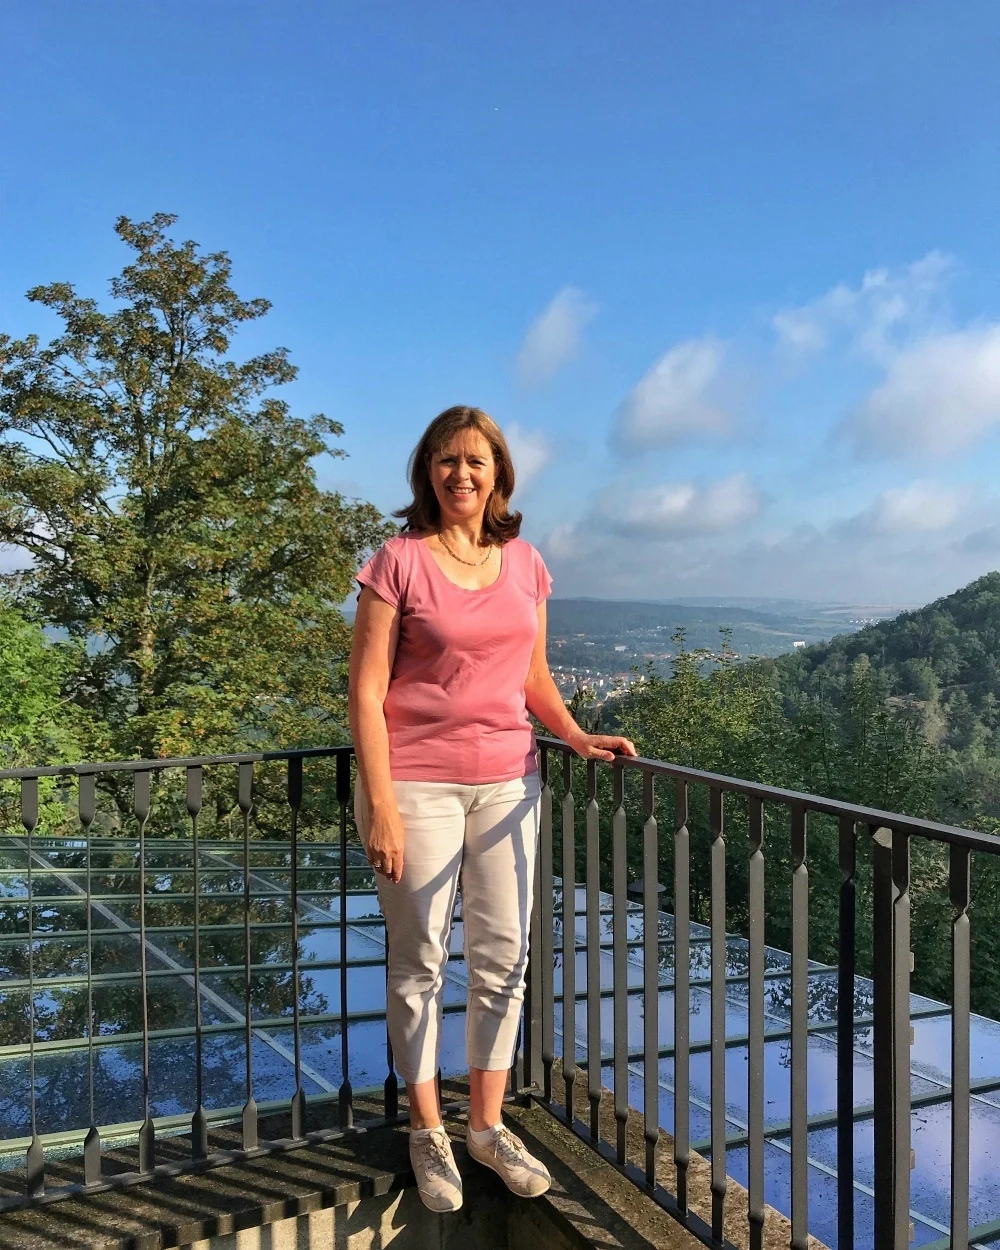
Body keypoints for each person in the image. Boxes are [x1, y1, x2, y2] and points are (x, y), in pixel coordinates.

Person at [348, 405, 637, 1213]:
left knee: (504, 956)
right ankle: (426, 1129)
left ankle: (485, 1125)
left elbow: (531, 674)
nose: (461, 474)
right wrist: (381, 806)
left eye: (476, 461)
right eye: (446, 460)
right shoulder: (397, 562)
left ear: (499, 474)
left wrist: (575, 736)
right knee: (419, 964)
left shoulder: (526, 563)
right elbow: (366, 693)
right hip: (418, 784)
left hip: (511, 780)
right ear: (427, 471)